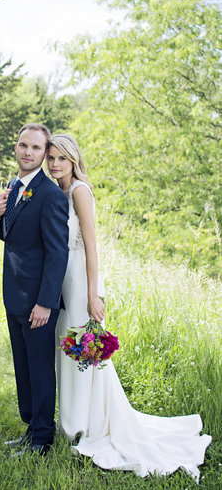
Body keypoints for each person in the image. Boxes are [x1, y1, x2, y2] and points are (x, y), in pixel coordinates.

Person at [47, 133, 211, 481]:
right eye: (51, 157)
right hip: (61, 279)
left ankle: (80, 427)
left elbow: (91, 246)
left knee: (83, 352)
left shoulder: (79, 191)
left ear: (74, 159)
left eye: (62, 157)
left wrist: (93, 294)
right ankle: (76, 420)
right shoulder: (56, 192)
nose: (55, 163)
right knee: (68, 349)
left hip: (80, 281)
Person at [0, 123, 69, 457]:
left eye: (36, 148)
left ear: (44, 152)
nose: (27, 152)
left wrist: (46, 303)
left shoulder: (50, 195)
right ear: (17, 146)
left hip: (38, 303)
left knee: (39, 369)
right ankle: (30, 428)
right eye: (23, 145)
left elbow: (57, 253)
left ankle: (42, 441)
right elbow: (12, 236)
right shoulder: (14, 185)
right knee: (23, 368)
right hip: (14, 296)